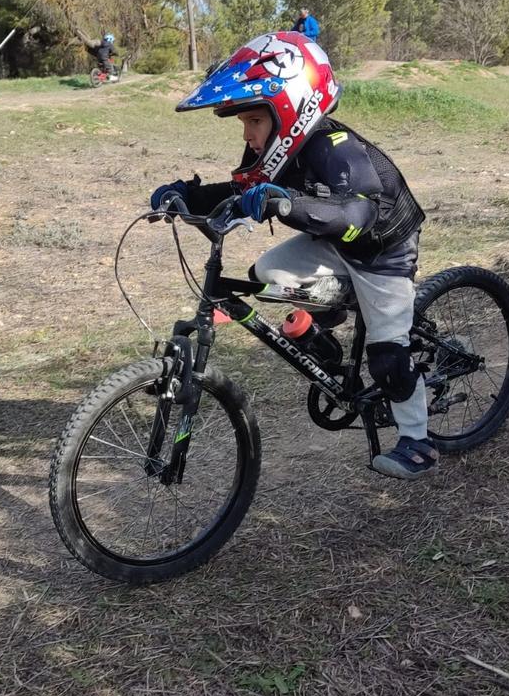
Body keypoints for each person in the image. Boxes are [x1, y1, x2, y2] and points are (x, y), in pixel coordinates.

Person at [148, 32, 436, 479]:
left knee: (387, 356)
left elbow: (359, 212)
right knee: (267, 274)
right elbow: (240, 191)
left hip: (381, 250)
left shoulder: (333, 146)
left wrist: (286, 204)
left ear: (290, 108)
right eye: (243, 123)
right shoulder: (278, 150)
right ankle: (332, 320)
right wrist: (186, 194)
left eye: (254, 121)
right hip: (333, 243)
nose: (248, 134)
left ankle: (417, 440)